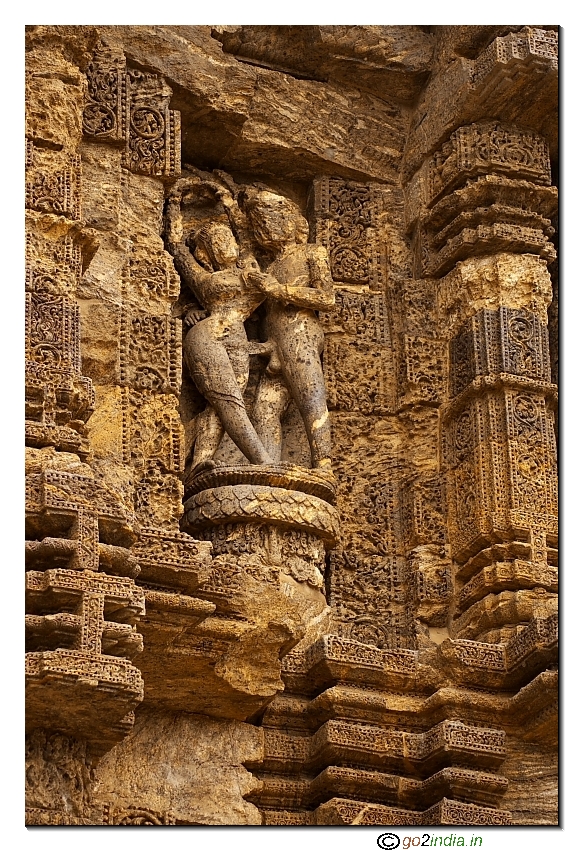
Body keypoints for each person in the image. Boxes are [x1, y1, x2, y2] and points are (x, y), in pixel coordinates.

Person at [166, 181, 277, 473]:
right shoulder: (203, 275)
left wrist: (227, 201)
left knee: (221, 406)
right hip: (209, 334)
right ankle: (262, 462)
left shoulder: (249, 268)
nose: (227, 244)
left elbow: (247, 240)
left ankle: (200, 463)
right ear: (205, 253)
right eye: (218, 241)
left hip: (237, 338)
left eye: (228, 238)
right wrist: (175, 204)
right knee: (229, 401)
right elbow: (177, 248)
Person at [244, 189, 336, 471]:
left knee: (311, 397)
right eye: (260, 223)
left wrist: (281, 290)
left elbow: (327, 298)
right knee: (264, 409)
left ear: (293, 222)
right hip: (274, 343)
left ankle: (323, 464)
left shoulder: (311, 253)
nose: (266, 227)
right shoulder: (271, 266)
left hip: (301, 334)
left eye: (273, 218)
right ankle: (268, 466)